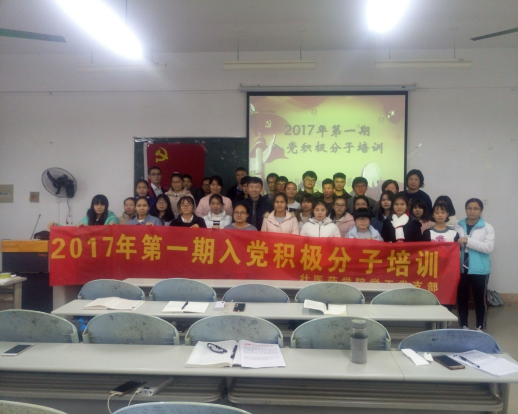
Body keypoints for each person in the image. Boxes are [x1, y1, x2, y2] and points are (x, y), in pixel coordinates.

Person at [455, 198, 495, 330]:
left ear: (481, 210)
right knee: (462, 298)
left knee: (480, 300)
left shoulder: (487, 227)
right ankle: (463, 325)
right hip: (460, 267)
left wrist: (468, 241)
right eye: (469, 208)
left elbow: (488, 248)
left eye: (476, 208)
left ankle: (480, 327)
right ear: (465, 209)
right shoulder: (457, 225)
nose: (472, 211)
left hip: (479, 268)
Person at [48, 194, 119, 228]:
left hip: (105, 248)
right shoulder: (86, 218)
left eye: (102, 204)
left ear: (106, 206)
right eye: (96, 204)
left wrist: (113, 228)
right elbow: (72, 231)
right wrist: (56, 226)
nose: (99, 207)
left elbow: (114, 235)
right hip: (89, 248)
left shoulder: (112, 219)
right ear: (92, 206)